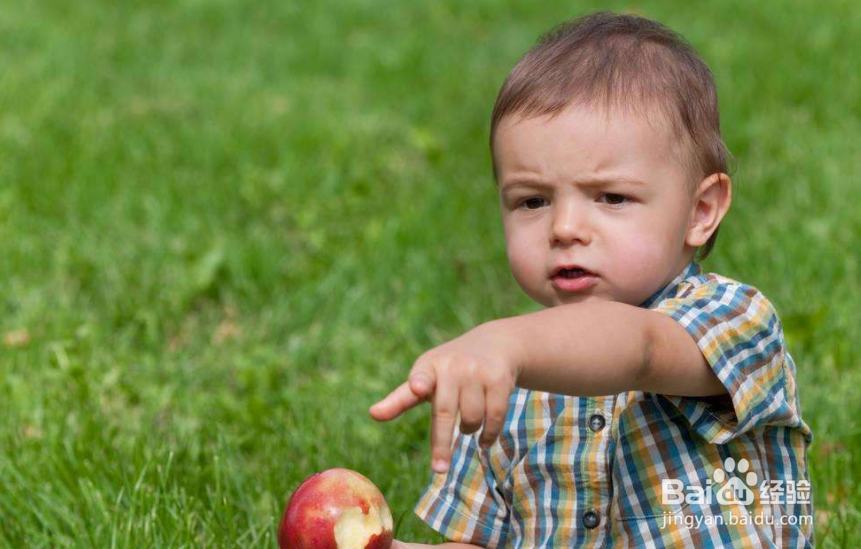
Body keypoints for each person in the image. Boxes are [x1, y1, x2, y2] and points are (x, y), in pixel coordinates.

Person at [369, 11, 813, 549]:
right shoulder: (500, 379)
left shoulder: (734, 318)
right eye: (532, 201)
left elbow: (640, 349)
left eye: (611, 197)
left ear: (700, 210)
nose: (564, 227)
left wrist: (505, 345)